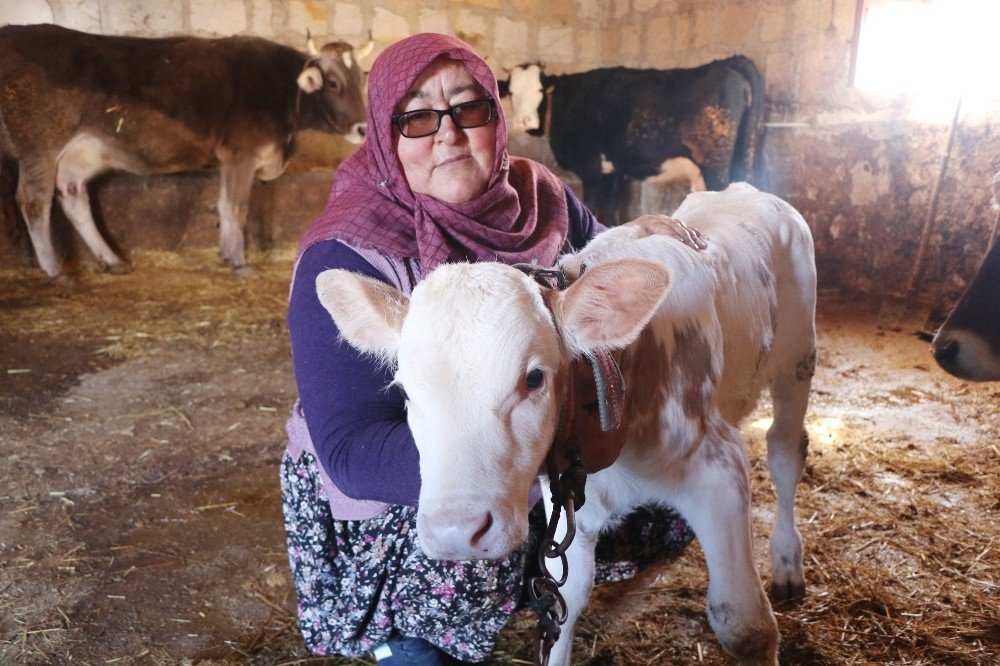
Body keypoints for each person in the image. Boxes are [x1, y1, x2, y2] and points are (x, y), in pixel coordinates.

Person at [281, 32, 702, 665]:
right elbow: (348, 449)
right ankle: (407, 636)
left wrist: (637, 235)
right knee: (455, 550)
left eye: (468, 109)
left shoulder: (538, 196)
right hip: (403, 484)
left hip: (529, 444)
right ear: (383, 136)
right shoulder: (348, 253)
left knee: (658, 466)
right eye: (416, 117)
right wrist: (510, 465)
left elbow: (594, 257)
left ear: (496, 119)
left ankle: (535, 560)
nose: (446, 134)